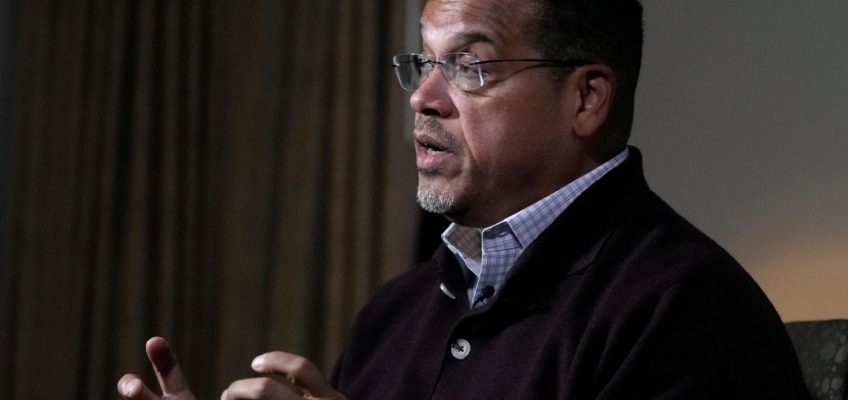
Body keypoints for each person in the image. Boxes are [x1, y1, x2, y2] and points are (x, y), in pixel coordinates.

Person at [118, 0, 810, 398]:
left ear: (586, 98)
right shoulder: (392, 315)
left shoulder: (685, 309)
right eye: (424, 61)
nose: (423, 97)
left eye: (468, 65)